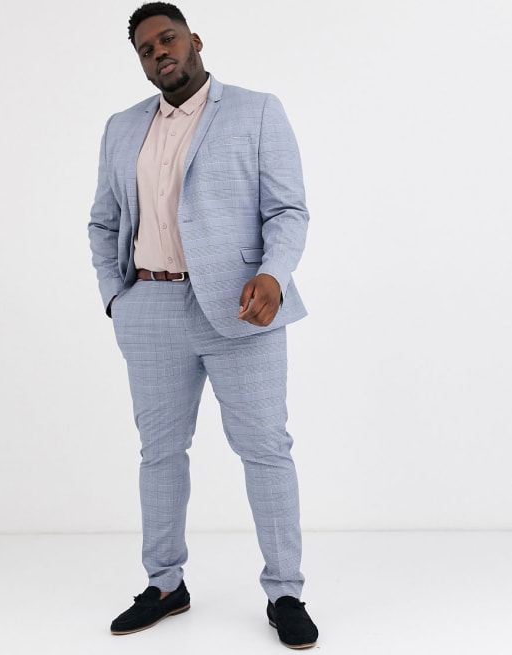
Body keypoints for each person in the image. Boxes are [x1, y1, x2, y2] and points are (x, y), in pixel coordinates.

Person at [88, 2, 318, 649]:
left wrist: (273, 274)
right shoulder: (121, 128)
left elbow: (288, 210)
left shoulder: (256, 110)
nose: (159, 53)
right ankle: (165, 584)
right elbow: (103, 221)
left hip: (242, 307)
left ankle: (285, 591)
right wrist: (116, 298)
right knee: (159, 453)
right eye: (146, 49)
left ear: (193, 40)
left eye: (167, 39)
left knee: (265, 449)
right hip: (149, 307)